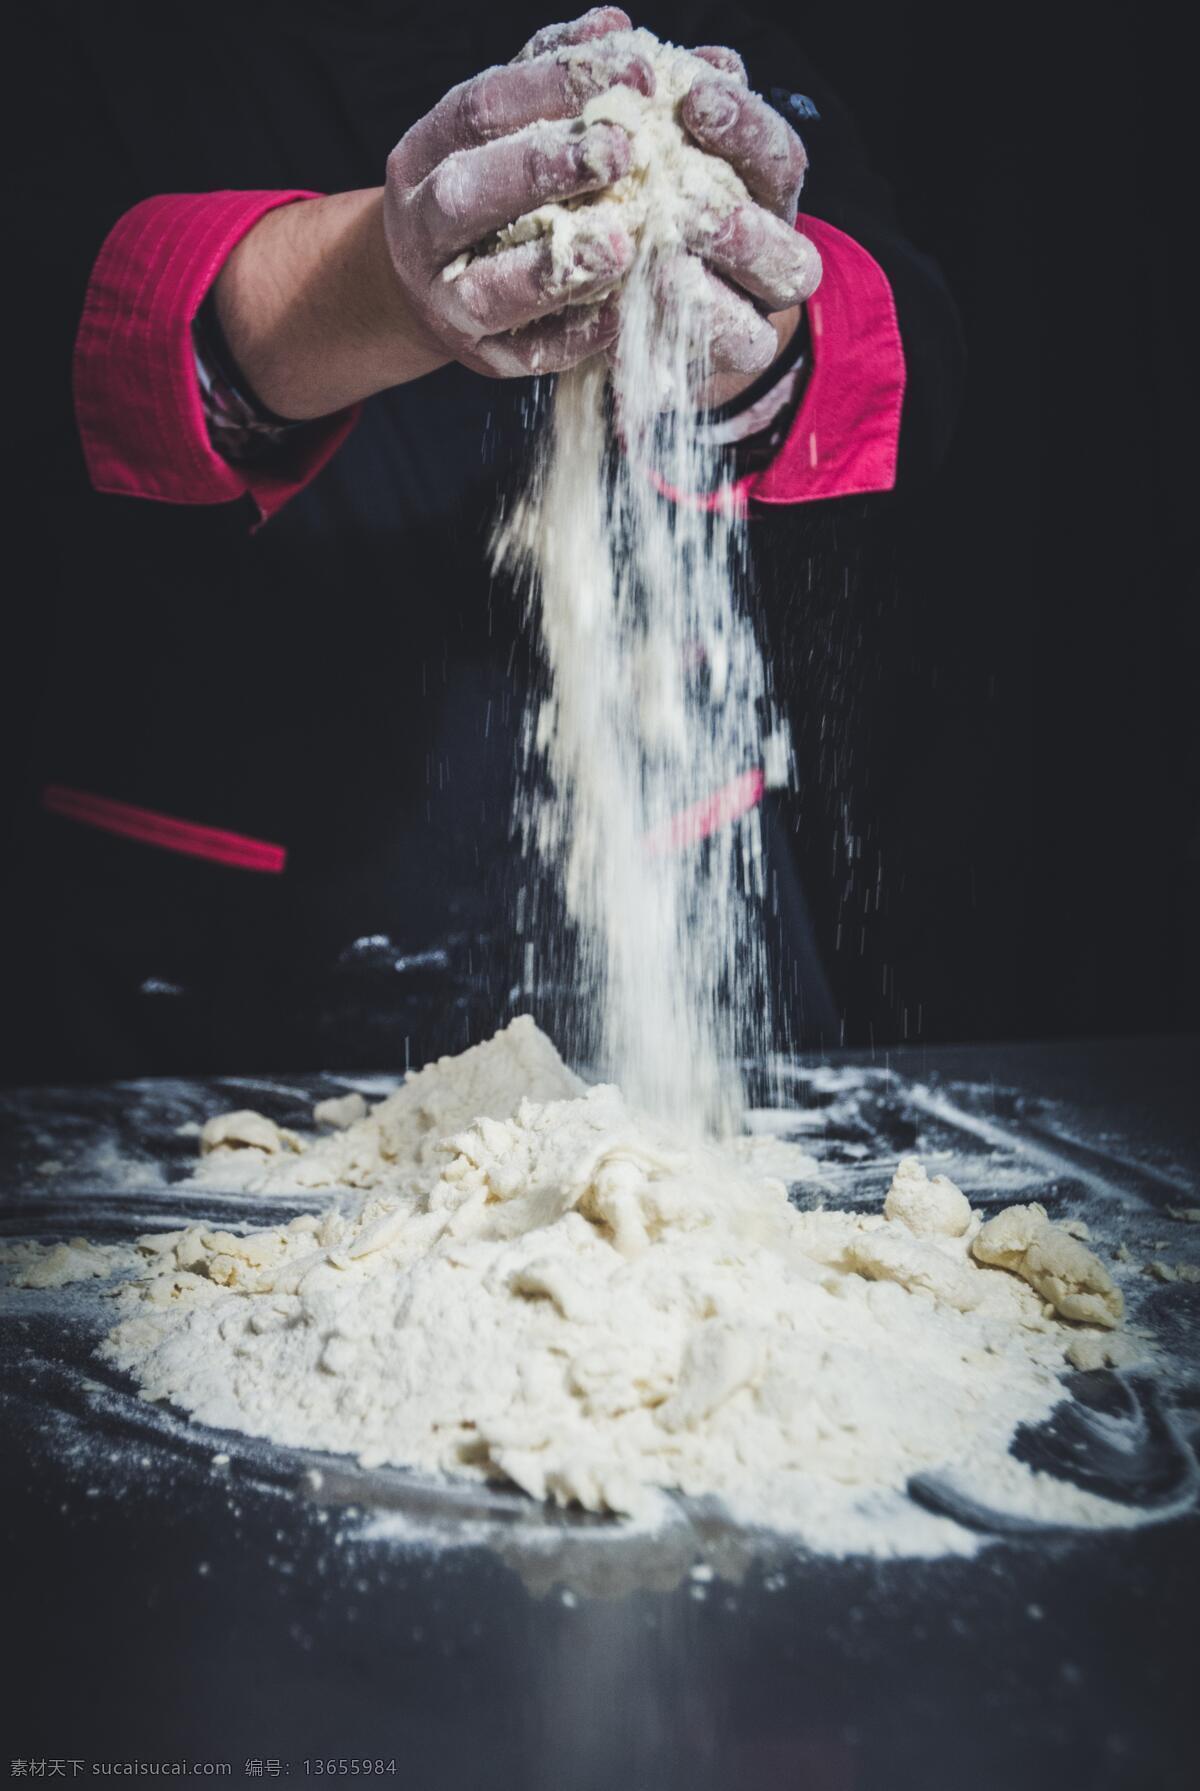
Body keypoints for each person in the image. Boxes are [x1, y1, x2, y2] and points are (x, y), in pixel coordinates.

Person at [4, 2, 963, 1084]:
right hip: (227, 917)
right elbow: (51, 343)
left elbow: (911, 349)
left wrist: (749, 326)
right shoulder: (93, 47)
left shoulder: (701, 29)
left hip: (664, 874)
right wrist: (383, 283)